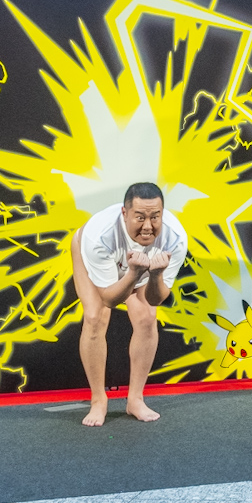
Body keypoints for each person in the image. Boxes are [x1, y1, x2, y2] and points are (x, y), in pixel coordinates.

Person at [73, 182, 187, 426]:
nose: (148, 226)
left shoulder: (175, 238)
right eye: (140, 217)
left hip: (138, 265)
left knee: (147, 318)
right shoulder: (99, 236)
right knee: (95, 317)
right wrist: (133, 273)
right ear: (124, 214)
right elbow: (109, 299)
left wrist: (156, 275)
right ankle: (98, 400)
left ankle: (135, 399)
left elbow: (156, 299)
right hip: (94, 254)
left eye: (155, 217)